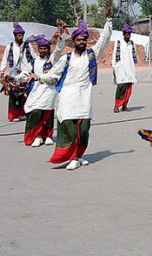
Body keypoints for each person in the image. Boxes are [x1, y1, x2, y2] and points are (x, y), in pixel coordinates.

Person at [29, 9, 113, 171]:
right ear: (74, 41)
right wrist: (38, 77)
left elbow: (103, 40)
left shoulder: (91, 55)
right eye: (79, 39)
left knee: (83, 129)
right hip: (68, 99)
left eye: (84, 40)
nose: (82, 42)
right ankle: (72, 157)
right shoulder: (65, 59)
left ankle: (78, 156)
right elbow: (52, 75)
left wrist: (109, 20)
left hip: (84, 99)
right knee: (68, 127)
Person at [15, 26, 67, 147]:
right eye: (41, 48)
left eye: (45, 48)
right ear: (38, 49)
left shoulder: (52, 59)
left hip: (49, 91)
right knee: (35, 112)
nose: (43, 50)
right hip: (37, 91)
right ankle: (37, 135)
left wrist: (61, 34)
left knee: (47, 113)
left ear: (48, 49)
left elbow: (59, 48)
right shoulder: (34, 61)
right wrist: (14, 79)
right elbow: (25, 74)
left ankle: (47, 135)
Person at [1, 23, 38, 122]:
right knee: (14, 95)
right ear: (15, 36)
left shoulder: (27, 45)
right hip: (14, 74)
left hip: (26, 73)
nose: (20, 37)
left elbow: (34, 58)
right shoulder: (10, 46)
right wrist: (2, 72)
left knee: (25, 94)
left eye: (22, 35)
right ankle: (13, 115)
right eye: (19, 35)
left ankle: (24, 114)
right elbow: (5, 59)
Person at [112, 24, 138, 113]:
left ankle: (125, 105)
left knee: (128, 88)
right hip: (121, 68)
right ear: (123, 34)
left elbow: (134, 56)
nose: (128, 35)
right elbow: (115, 54)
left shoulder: (132, 43)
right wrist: (114, 66)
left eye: (129, 34)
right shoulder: (119, 42)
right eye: (126, 33)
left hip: (130, 68)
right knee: (121, 87)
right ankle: (117, 105)